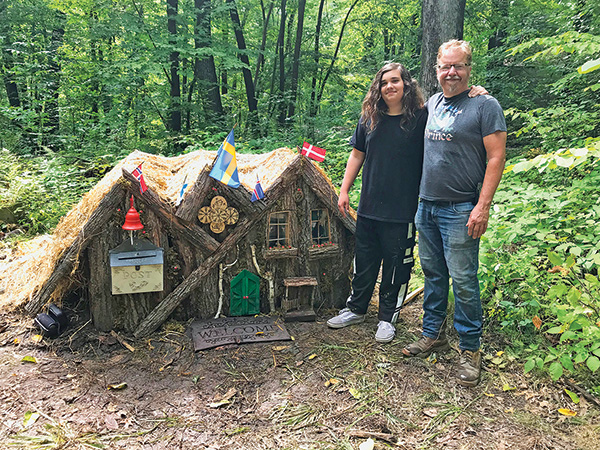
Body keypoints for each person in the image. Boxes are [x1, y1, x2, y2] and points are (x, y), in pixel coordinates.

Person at [402, 40, 507, 387]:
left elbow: (496, 158)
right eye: (445, 66)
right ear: (436, 69)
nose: (452, 72)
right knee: (433, 274)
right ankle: (433, 334)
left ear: (469, 68)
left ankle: (470, 350)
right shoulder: (432, 103)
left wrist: (482, 206)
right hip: (427, 205)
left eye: (459, 66)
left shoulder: (485, 105)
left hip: (462, 208)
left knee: (463, 280)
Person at [326, 62, 427, 343]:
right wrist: (344, 190)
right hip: (369, 206)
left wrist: (475, 92)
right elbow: (357, 155)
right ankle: (356, 309)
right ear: (378, 88)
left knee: (397, 266)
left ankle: (387, 318)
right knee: (364, 262)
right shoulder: (370, 118)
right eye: (384, 83)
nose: (389, 87)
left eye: (395, 81)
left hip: (402, 209)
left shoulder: (421, 118)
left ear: (406, 84)